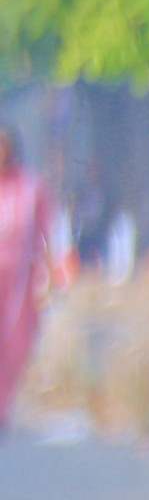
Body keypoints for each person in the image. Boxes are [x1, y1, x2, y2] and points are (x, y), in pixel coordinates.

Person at [0, 128, 45, 434]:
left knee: (14, 345)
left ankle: (3, 406)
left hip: (19, 282)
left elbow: (47, 235)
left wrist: (51, 277)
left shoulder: (31, 188)